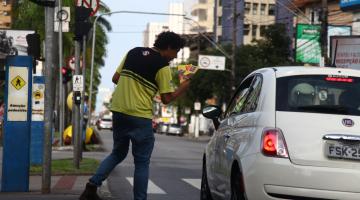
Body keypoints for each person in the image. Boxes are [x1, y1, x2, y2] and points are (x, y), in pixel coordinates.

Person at [80, 31, 195, 200]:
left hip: (119, 111)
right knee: (141, 162)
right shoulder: (163, 66)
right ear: (169, 47)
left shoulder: (133, 52)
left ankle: (91, 186)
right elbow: (166, 99)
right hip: (140, 116)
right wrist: (184, 86)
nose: (175, 57)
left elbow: (115, 78)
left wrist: (134, 84)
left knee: (117, 153)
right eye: (176, 52)